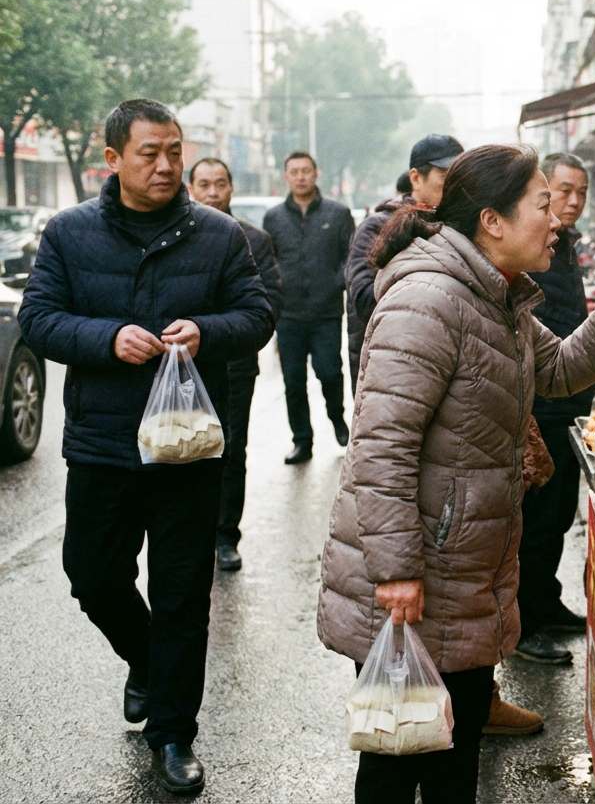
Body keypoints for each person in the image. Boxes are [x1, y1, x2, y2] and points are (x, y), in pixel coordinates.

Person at [316, 143, 595, 804]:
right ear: (492, 222)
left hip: (464, 573)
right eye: (542, 203)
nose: (558, 218)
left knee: (455, 748)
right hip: (419, 577)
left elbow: (558, 371)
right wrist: (394, 571)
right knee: (398, 757)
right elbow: (380, 446)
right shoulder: (429, 300)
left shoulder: (497, 297)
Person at [17, 99, 274, 795]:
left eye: (174, 151)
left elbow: (257, 315)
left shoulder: (219, 236)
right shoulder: (69, 233)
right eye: (148, 153)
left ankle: (173, 734)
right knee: (91, 573)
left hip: (189, 447)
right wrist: (105, 339)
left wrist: (208, 330)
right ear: (112, 160)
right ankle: (147, 662)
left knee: (183, 593)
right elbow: (38, 320)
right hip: (102, 443)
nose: (165, 166)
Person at [511, 152, 592, 668]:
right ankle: (524, 625)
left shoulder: (565, 247)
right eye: (563, 191)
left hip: (570, 403)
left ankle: (546, 600)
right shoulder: (531, 247)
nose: (573, 202)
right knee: (535, 523)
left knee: (560, 516)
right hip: (539, 404)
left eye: (581, 192)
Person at [187, 156, 284, 572]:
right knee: (182, 450)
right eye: (204, 184)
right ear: (190, 187)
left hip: (234, 366)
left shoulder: (252, 239)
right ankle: (189, 534)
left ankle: (226, 536)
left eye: (220, 183)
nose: (212, 192)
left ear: (231, 188)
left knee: (229, 452)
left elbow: (269, 303)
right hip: (179, 369)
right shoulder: (175, 235)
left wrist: (214, 331)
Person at [345, 134, 462, 392]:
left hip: (449, 368)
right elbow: (364, 300)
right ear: (416, 178)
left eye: (460, 177)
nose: (455, 186)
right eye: (445, 177)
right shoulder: (377, 227)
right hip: (388, 369)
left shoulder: (462, 228)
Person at [264, 151, 356, 464]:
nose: (301, 176)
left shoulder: (338, 213)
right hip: (287, 315)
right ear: (286, 176)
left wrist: (335, 283)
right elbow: (268, 261)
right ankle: (302, 441)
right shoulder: (274, 218)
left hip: (326, 312)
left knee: (330, 372)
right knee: (293, 382)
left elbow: (351, 258)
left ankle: (337, 418)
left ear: (316, 174)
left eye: (306, 170)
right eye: (294, 171)